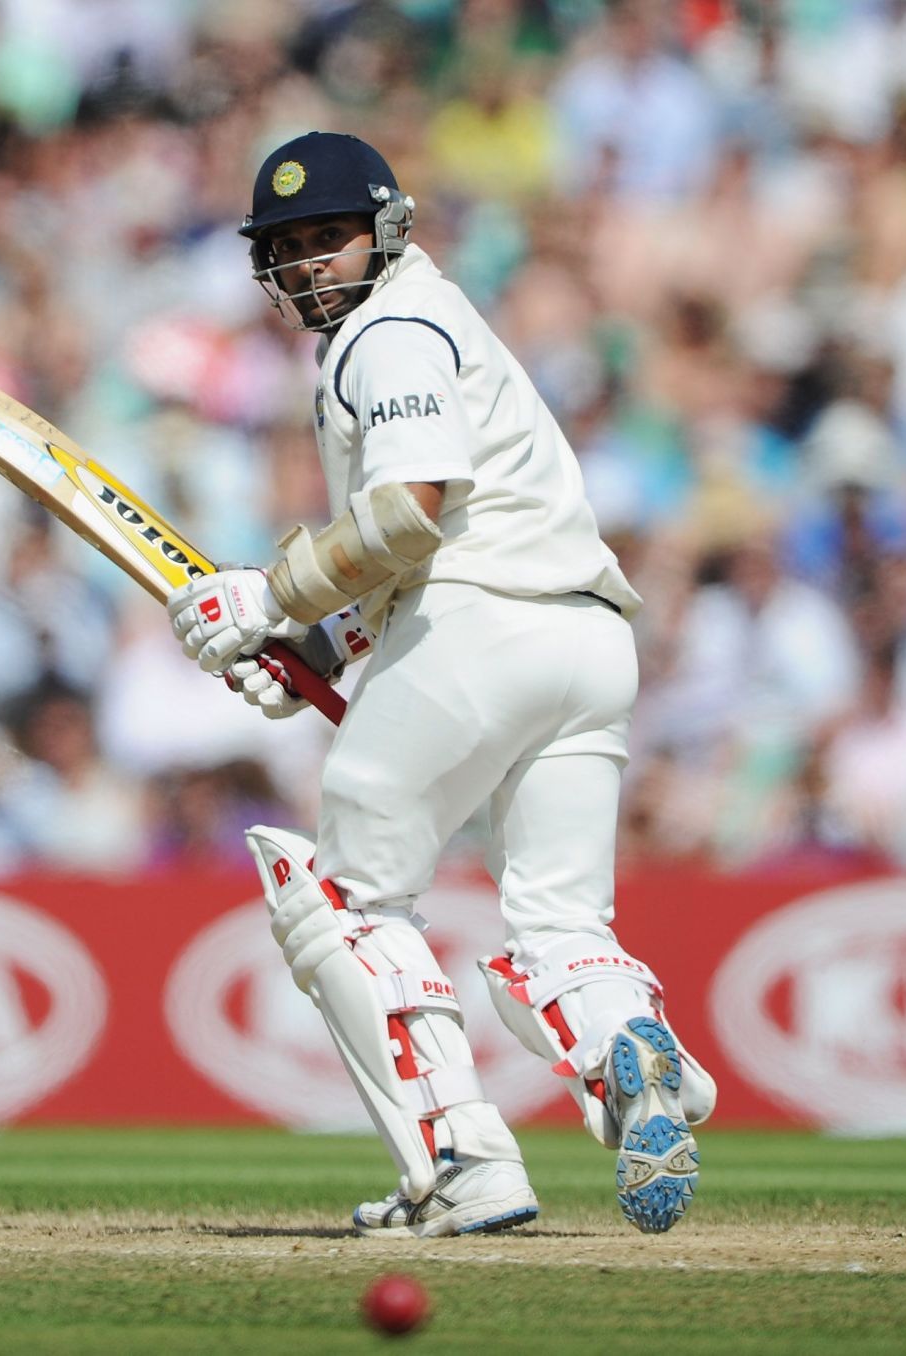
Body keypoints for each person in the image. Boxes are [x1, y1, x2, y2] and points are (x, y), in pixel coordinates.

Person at [166, 132, 715, 1238]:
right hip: (585, 640)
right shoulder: (439, 320)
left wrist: (274, 602)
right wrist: (323, 649)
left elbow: (415, 506)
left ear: (388, 230)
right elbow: (431, 538)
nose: (314, 262)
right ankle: (625, 1050)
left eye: (332, 237)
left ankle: (464, 1164)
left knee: (343, 898)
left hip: (480, 628)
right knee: (559, 924)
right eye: (293, 247)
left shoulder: (389, 332)